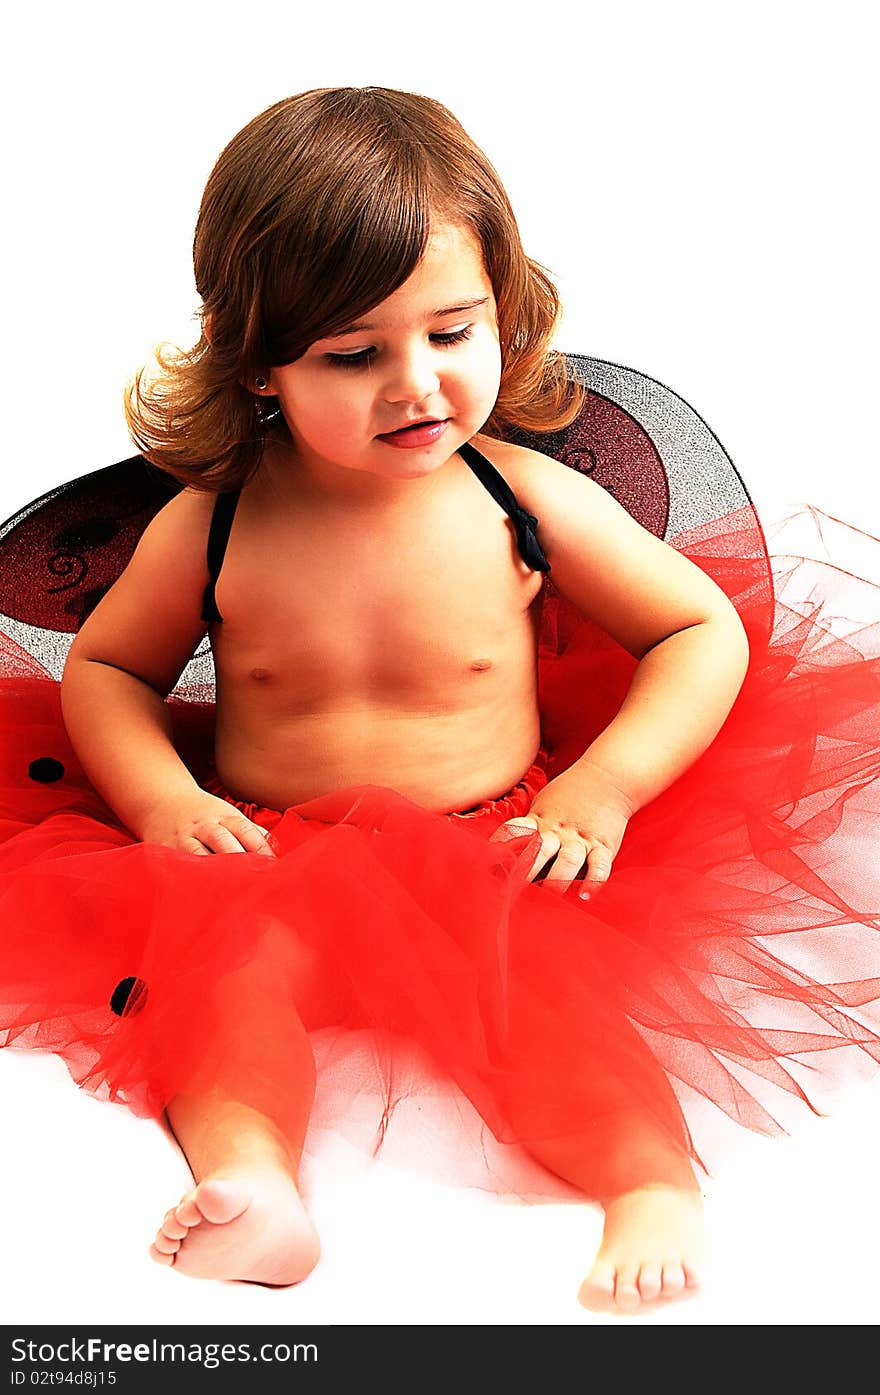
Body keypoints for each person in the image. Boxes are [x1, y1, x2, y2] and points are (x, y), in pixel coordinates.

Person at [1, 86, 879, 1315]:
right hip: (269, 847)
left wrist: (603, 785)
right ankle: (256, 1187)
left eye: (451, 333)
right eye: (353, 355)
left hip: (492, 841)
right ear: (255, 357)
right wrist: (156, 796)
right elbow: (103, 669)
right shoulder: (217, 522)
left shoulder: (517, 498)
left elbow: (696, 630)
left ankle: (648, 1183)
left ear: (502, 315)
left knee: (547, 999)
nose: (415, 383)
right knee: (222, 980)